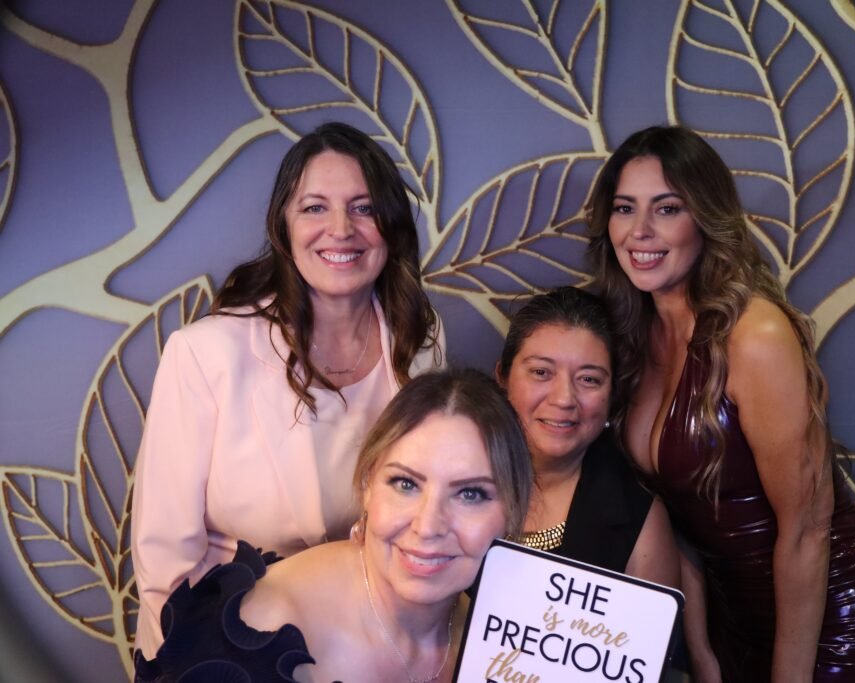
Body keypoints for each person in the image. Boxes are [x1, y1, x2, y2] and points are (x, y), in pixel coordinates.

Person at [586, 125, 855, 682]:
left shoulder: (754, 335)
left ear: (706, 219)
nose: (640, 231)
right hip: (734, 617)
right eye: (625, 208)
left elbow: (808, 528)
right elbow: (679, 519)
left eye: (667, 209)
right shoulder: (629, 338)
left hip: (838, 610)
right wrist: (703, 650)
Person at [131, 122, 445, 659]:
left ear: (389, 226)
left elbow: (430, 504)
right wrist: (194, 666)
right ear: (284, 226)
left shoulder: (423, 337)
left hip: (374, 641)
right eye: (315, 208)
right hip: (232, 644)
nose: (341, 229)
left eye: (364, 208)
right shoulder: (205, 354)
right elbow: (167, 561)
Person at [134, 368, 533, 682]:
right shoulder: (257, 634)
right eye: (406, 484)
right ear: (367, 488)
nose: (428, 526)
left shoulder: (513, 641)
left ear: (512, 509)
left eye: (470, 495)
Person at [496, 287, 679, 586]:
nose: (564, 399)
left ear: (611, 395)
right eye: (541, 372)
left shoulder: (638, 518)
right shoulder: (454, 474)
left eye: (589, 379)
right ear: (503, 378)